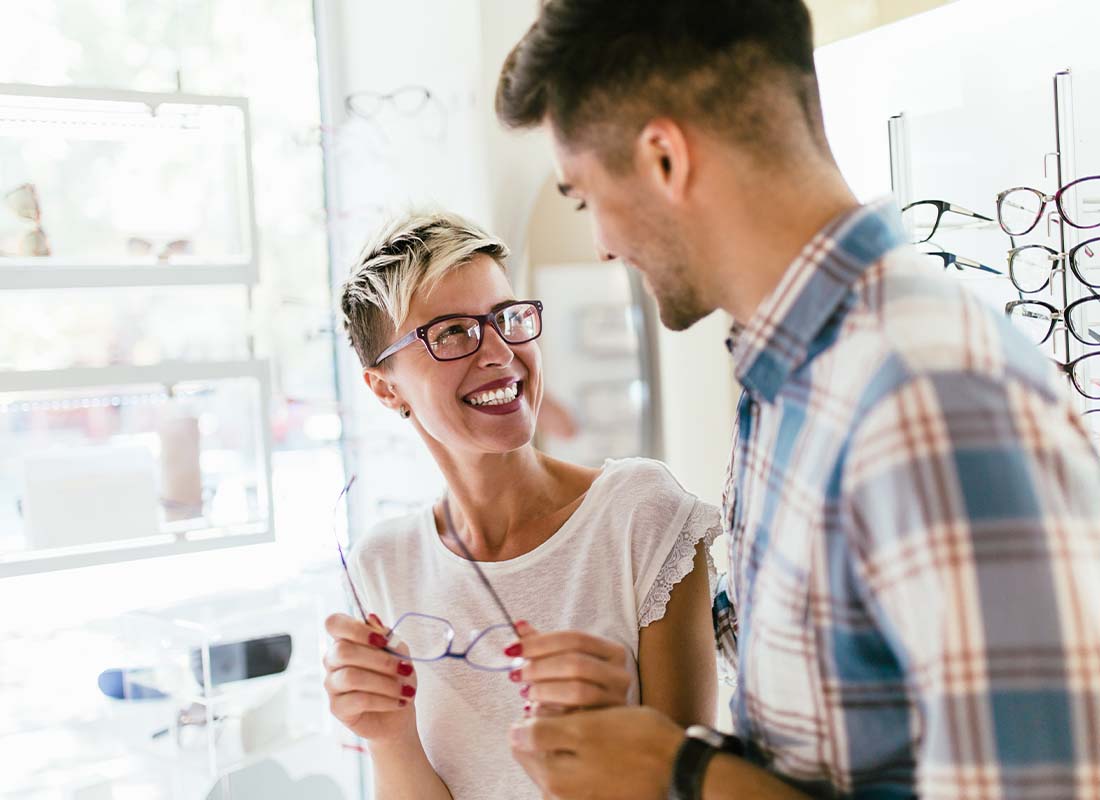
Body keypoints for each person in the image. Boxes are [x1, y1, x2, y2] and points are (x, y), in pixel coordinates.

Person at [494, 1, 1100, 798]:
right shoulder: (790, 386)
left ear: (665, 159)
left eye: (584, 197)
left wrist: (680, 773)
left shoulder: (925, 401)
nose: (603, 243)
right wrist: (649, 738)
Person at [322, 210, 722, 799]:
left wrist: (610, 746)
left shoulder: (641, 516)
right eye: (453, 331)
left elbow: (693, 789)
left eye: (507, 318)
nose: (499, 352)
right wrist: (387, 736)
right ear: (385, 388)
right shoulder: (383, 565)